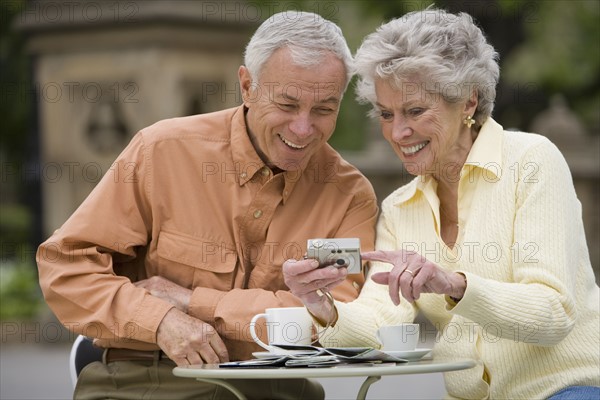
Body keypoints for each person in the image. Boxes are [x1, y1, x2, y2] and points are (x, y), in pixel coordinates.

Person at [36, 11, 378, 400]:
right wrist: (161, 320)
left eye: (324, 110)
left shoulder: (350, 195)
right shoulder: (162, 152)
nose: (303, 128)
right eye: (286, 104)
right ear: (247, 86)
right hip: (147, 380)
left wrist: (189, 301)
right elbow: (67, 267)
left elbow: (337, 320)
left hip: (276, 388)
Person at [283, 8, 600, 400]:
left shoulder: (532, 162)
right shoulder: (401, 206)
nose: (398, 132)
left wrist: (454, 284)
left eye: (415, 111)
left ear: (468, 102)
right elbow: (381, 320)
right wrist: (321, 305)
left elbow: (554, 312)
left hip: (565, 390)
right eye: (386, 113)